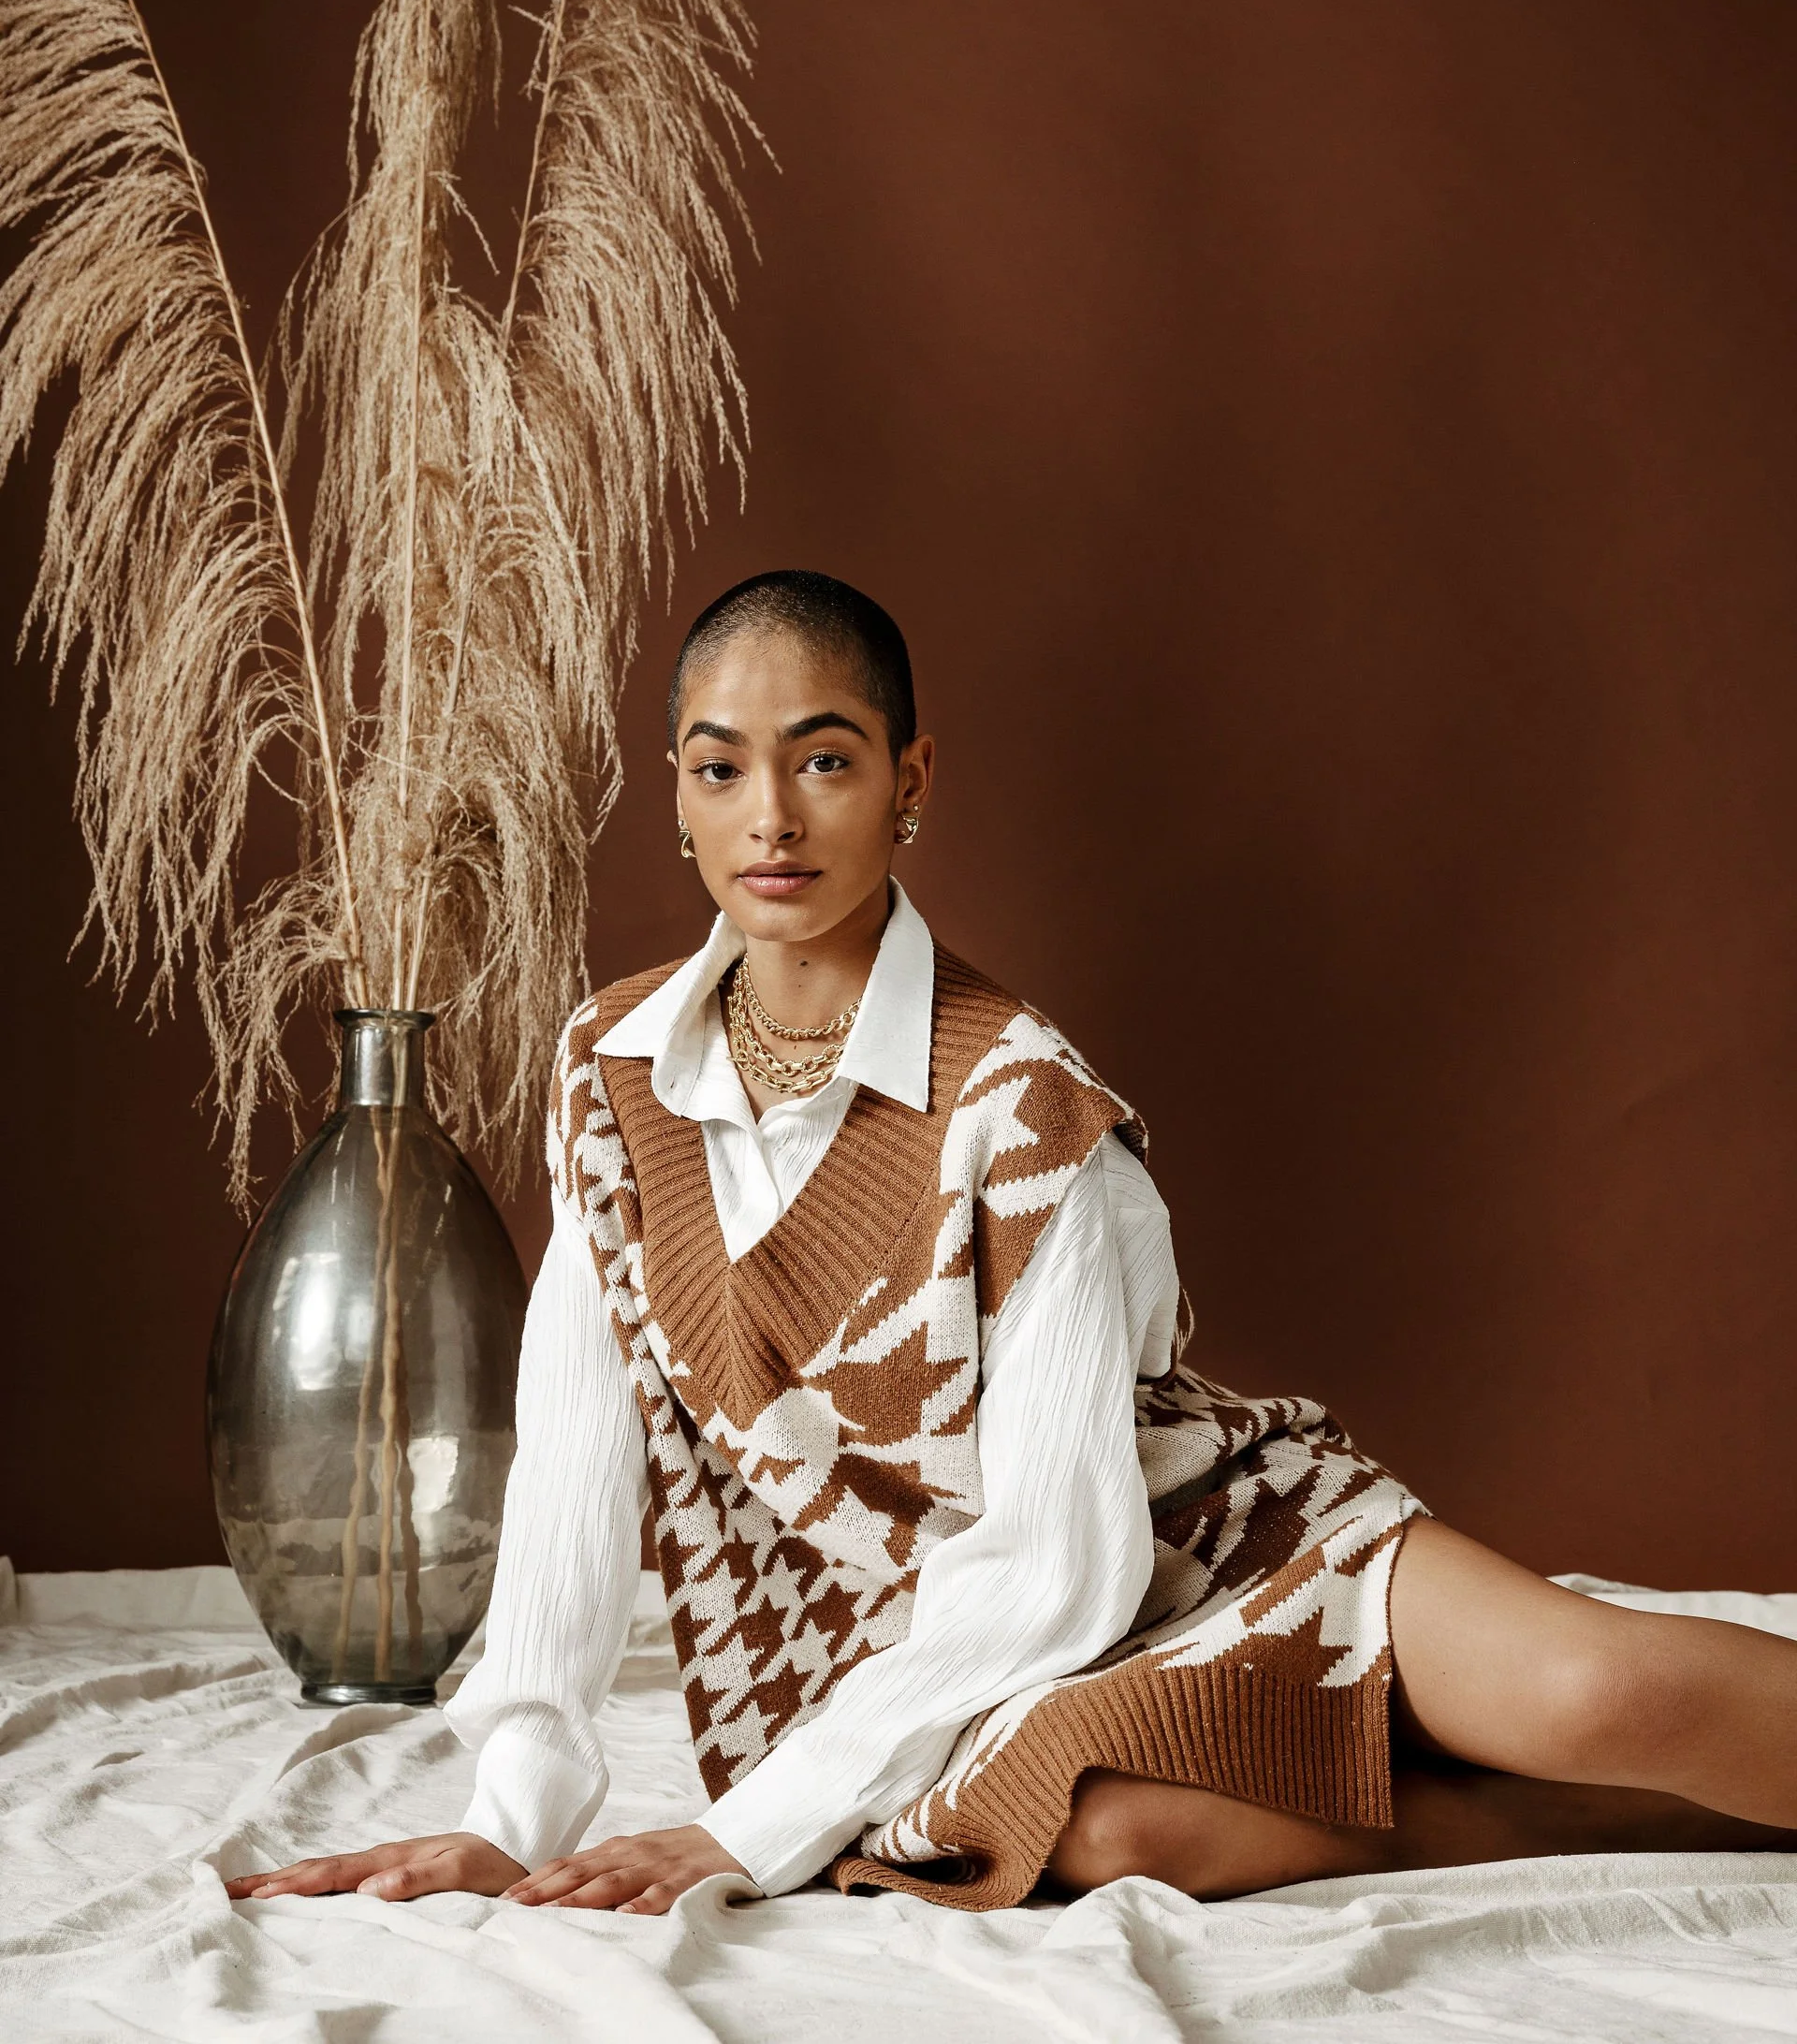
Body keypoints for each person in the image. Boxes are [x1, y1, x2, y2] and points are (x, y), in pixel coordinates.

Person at [228, 570, 1797, 1918]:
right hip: (931, 1650)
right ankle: (1648, 1821)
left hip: (1195, 1547)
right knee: (1108, 1840)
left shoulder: (1024, 1105)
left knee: (1605, 1690)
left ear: (910, 780)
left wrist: (743, 1833)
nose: (771, 817)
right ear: (678, 792)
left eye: (824, 760)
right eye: (722, 768)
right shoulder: (609, 1067)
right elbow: (578, 1470)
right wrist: (515, 1818)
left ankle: (1640, 1757)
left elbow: (1060, 1560)